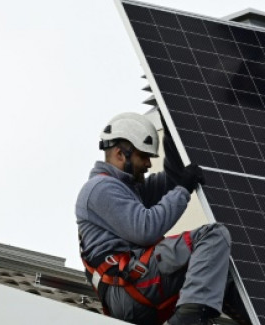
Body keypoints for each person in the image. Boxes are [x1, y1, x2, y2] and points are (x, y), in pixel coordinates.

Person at [76, 112, 232, 325]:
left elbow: (174, 177)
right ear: (121, 154)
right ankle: (187, 320)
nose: (149, 164)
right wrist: (184, 190)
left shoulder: (130, 189)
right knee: (213, 236)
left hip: (135, 286)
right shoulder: (100, 189)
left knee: (222, 267)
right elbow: (146, 228)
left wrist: (172, 131)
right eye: (144, 156)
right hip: (128, 286)